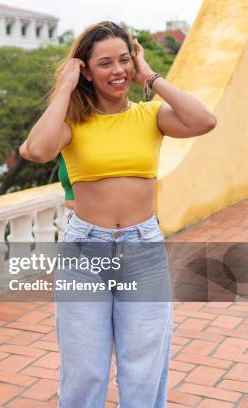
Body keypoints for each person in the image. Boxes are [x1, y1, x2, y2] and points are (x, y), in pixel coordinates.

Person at [20, 21, 216, 407]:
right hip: (84, 252)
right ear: (86, 71)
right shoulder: (72, 124)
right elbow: (37, 150)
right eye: (105, 63)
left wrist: (151, 75)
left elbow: (204, 120)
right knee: (84, 372)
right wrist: (64, 87)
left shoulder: (151, 116)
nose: (118, 70)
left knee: (143, 370)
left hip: (142, 250)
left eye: (124, 60)